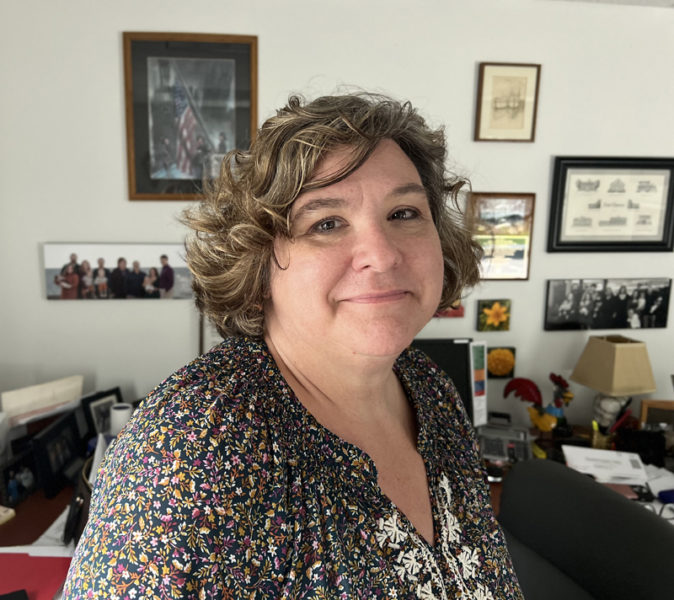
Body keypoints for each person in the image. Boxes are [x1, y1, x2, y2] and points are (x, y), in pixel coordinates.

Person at [64, 93, 522, 599]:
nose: (382, 254)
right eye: (326, 223)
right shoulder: (195, 445)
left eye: (404, 213)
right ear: (258, 267)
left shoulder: (429, 388)